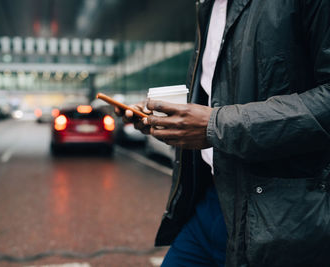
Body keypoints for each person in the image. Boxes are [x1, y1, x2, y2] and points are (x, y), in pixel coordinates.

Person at [116, 0, 330, 266]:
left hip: (284, 218)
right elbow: (216, 96)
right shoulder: (208, 8)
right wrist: (166, 117)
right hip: (211, 204)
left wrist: (216, 125)